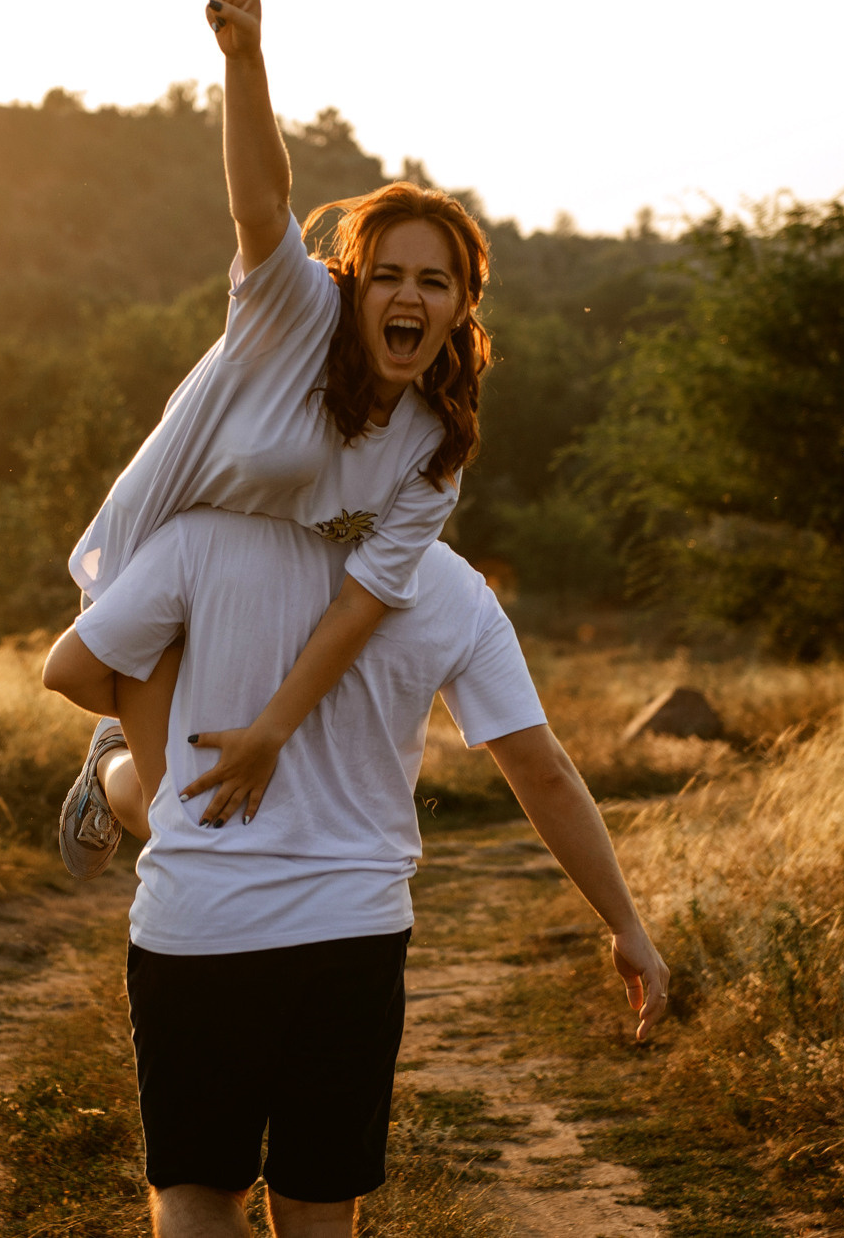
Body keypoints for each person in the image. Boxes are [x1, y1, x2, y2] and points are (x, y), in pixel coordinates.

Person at [43, 509, 669, 1237]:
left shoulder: (202, 538)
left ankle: (113, 761)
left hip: (201, 921)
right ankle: (118, 765)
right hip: (354, 935)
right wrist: (624, 922)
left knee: (198, 1189)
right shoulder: (451, 584)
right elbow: (543, 769)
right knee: (319, 1201)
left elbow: (72, 667)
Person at [59, 0, 492, 876]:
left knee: (232, 790)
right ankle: (115, 772)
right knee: (179, 802)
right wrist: (246, 60)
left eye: (434, 281)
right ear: (355, 283)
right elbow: (263, 201)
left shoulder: (434, 444)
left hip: (262, 582)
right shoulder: (298, 310)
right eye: (386, 276)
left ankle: (128, 778)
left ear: (461, 305)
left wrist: (272, 728)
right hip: (165, 538)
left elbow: (360, 606)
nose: (407, 296)